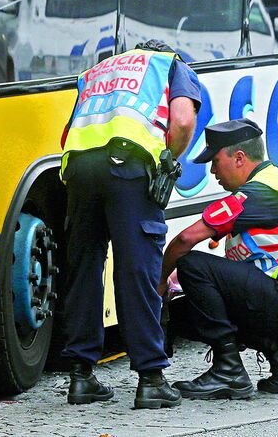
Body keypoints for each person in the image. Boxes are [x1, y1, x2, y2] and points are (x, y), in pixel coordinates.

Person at [59, 39, 200, 408]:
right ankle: (151, 378)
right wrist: (169, 158)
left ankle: (81, 377)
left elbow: (66, 132)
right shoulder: (169, 64)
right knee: (136, 267)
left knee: (84, 268)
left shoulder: (96, 72)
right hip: (129, 169)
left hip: (79, 169)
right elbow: (183, 120)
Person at [159, 118, 278, 399]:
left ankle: (229, 372)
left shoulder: (263, 191)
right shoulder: (269, 186)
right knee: (182, 314)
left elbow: (185, 241)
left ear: (239, 158)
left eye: (215, 161)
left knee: (191, 263)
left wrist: (161, 281)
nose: (212, 170)